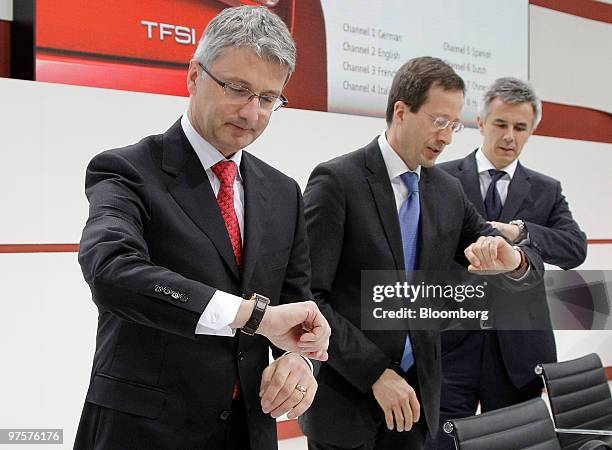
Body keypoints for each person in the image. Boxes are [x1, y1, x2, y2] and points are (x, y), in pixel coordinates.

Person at [74, 6, 330, 450]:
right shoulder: (127, 170)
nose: (252, 113)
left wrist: (299, 360)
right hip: (144, 433)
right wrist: (253, 317)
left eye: (268, 98)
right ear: (194, 75)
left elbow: (295, 304)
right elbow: (111, 271)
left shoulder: (283, 192)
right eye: (237, 89)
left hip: (248, 432)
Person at [298, 57, 544, 450]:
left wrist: (513, 260)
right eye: (439, 120)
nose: (447, 137)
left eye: (454, 125)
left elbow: (515, 263)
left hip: (416, 405)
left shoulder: (446, 192)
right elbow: (308, 297)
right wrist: (376, 372)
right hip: (347, 404)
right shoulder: (338, 181)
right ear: (401, 111)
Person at [429, 77, 587, 450]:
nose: (509, 136)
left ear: (532, 131)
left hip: (519, 351)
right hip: (449, 344)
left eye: (520, 127)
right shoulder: (440, 177)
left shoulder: (546, 189)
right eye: (501, 124)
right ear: (482, 123)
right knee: (438, 444)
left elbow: (574, 248)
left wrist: (520, 231)